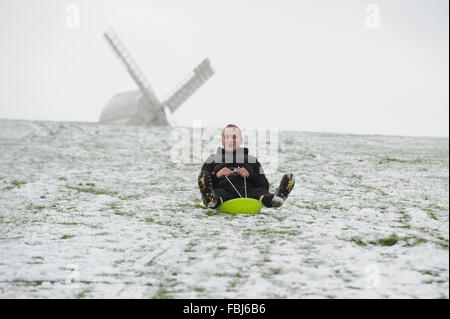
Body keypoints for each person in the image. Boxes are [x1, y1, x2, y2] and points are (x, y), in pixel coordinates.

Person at [198, 124, 295, 209]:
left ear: (240, 140)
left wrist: (250, 175)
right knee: (213, 190)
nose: (231, 140)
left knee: (262, 193)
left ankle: (277, 198)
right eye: (227, 137)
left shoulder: (252, 160)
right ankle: (210, 200)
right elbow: (204, 179)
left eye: (234, 137)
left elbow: (264, 184)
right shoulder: (212, 159)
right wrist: (217, 175)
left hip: (250, 191)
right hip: (224, 191)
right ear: (222, 140)